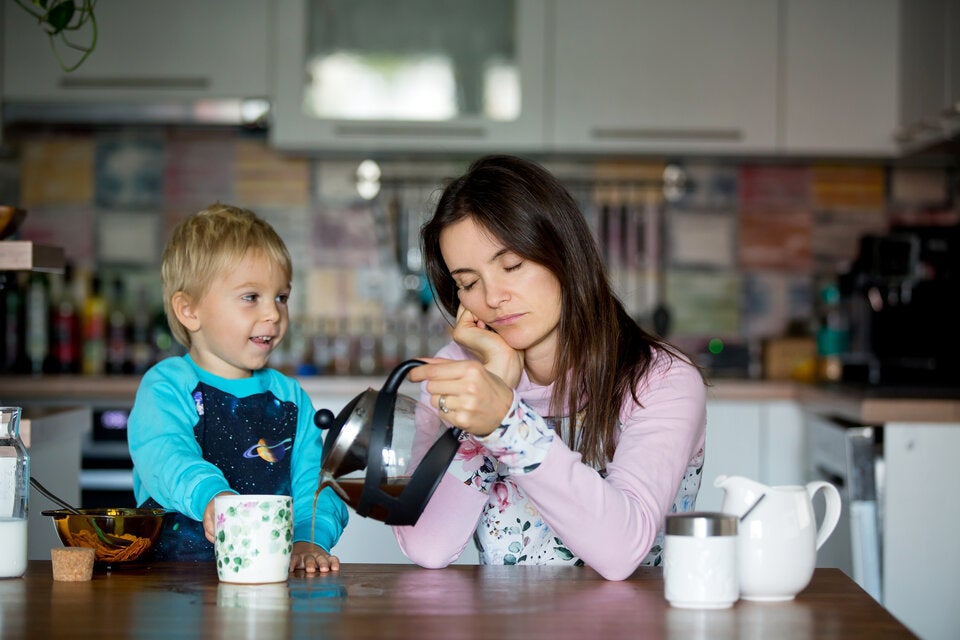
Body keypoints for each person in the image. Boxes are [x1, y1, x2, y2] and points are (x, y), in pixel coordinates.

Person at [395, 155, 706, 581]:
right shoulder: (459, 375)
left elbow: (621, 550)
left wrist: (504, 421)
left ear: (563, 251)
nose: (492, 296)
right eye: (468, 283)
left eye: (512, 266)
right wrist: (481, 411)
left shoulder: (662, 380)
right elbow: (427, 545)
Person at [127, 203, 348, 572]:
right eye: (251, 297)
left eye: (281, 297)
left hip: (269, 585)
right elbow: (165, 456)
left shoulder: (290, 399)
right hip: (170, 591)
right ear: (189, 310)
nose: (274, 314)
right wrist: (214, 496)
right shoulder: (167, 387)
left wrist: (310, 539)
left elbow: (317, 484)